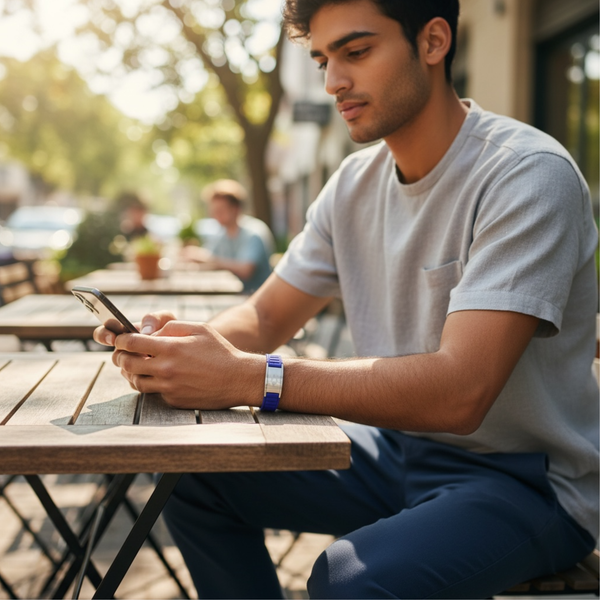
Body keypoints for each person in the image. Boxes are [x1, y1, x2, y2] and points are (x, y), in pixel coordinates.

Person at [94, 0, 599, 597]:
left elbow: (462, 391)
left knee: (347, 580)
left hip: (524, 480)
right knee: (192, 476)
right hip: (393, 448)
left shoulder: (526, 174)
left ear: (433, 42)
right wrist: (180, 344)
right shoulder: (352, 185)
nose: (334, 81)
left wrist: (253, 379)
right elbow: (265, 313)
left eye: (356, 52)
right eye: (322, 59)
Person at [182, 180, 273, 294]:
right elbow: (210, 258)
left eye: (220, 210)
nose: (215, 215)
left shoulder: (254, 232)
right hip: (235, 295)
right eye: (213, 211)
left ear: (235, 209)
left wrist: (207, 259)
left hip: (256, 297)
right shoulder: (222, 233)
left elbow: (246, 270)